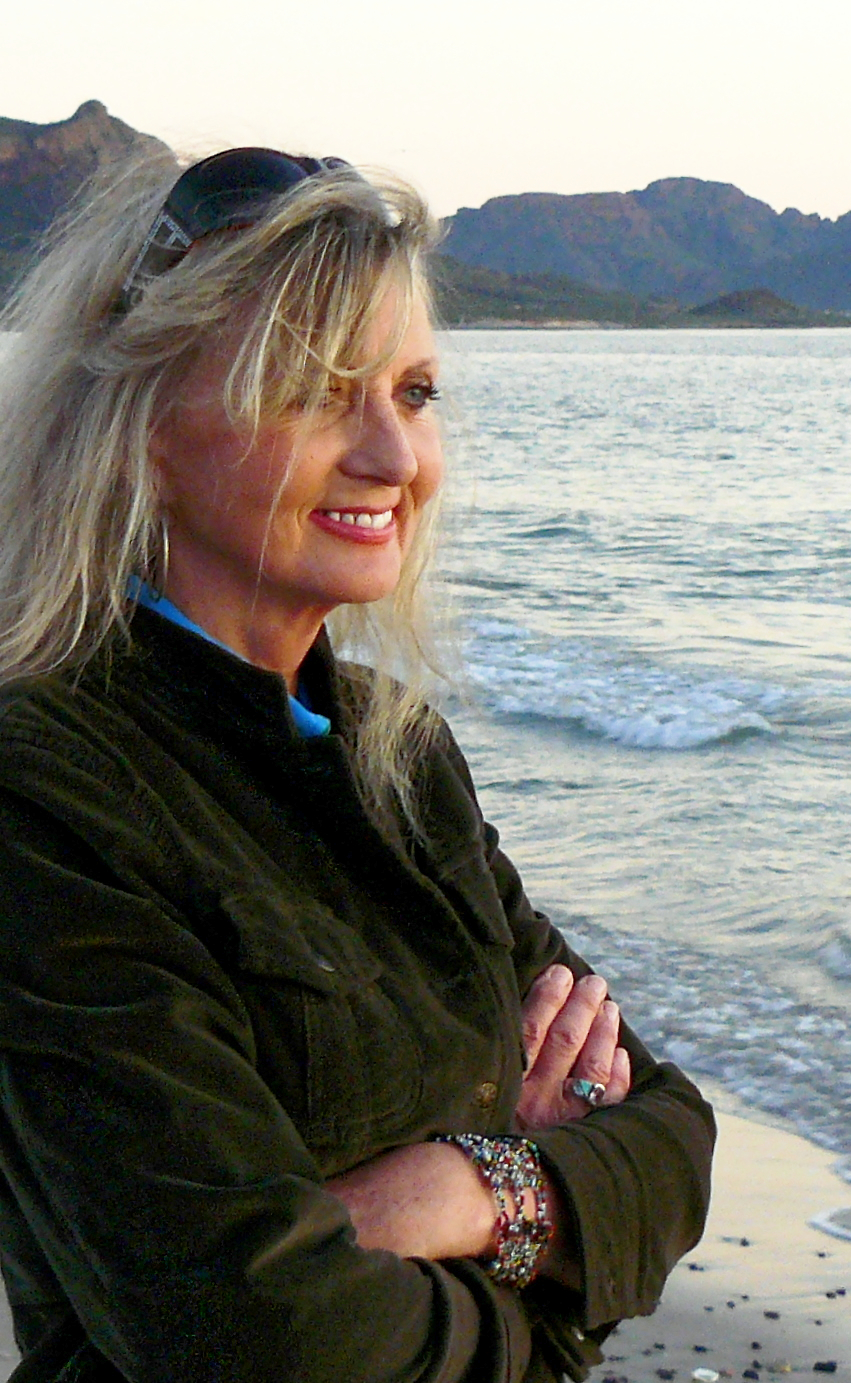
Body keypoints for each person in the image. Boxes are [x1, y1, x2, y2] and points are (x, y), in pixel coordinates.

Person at [0, 147, 714, 1382]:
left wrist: (468, 1188)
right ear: (144, 426)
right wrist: (549, 1290)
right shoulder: (47, 791)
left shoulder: (399, 754)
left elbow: (672, 1139)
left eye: (415, 391)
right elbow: (255, 1334)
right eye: (315, 391)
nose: (394, 457)